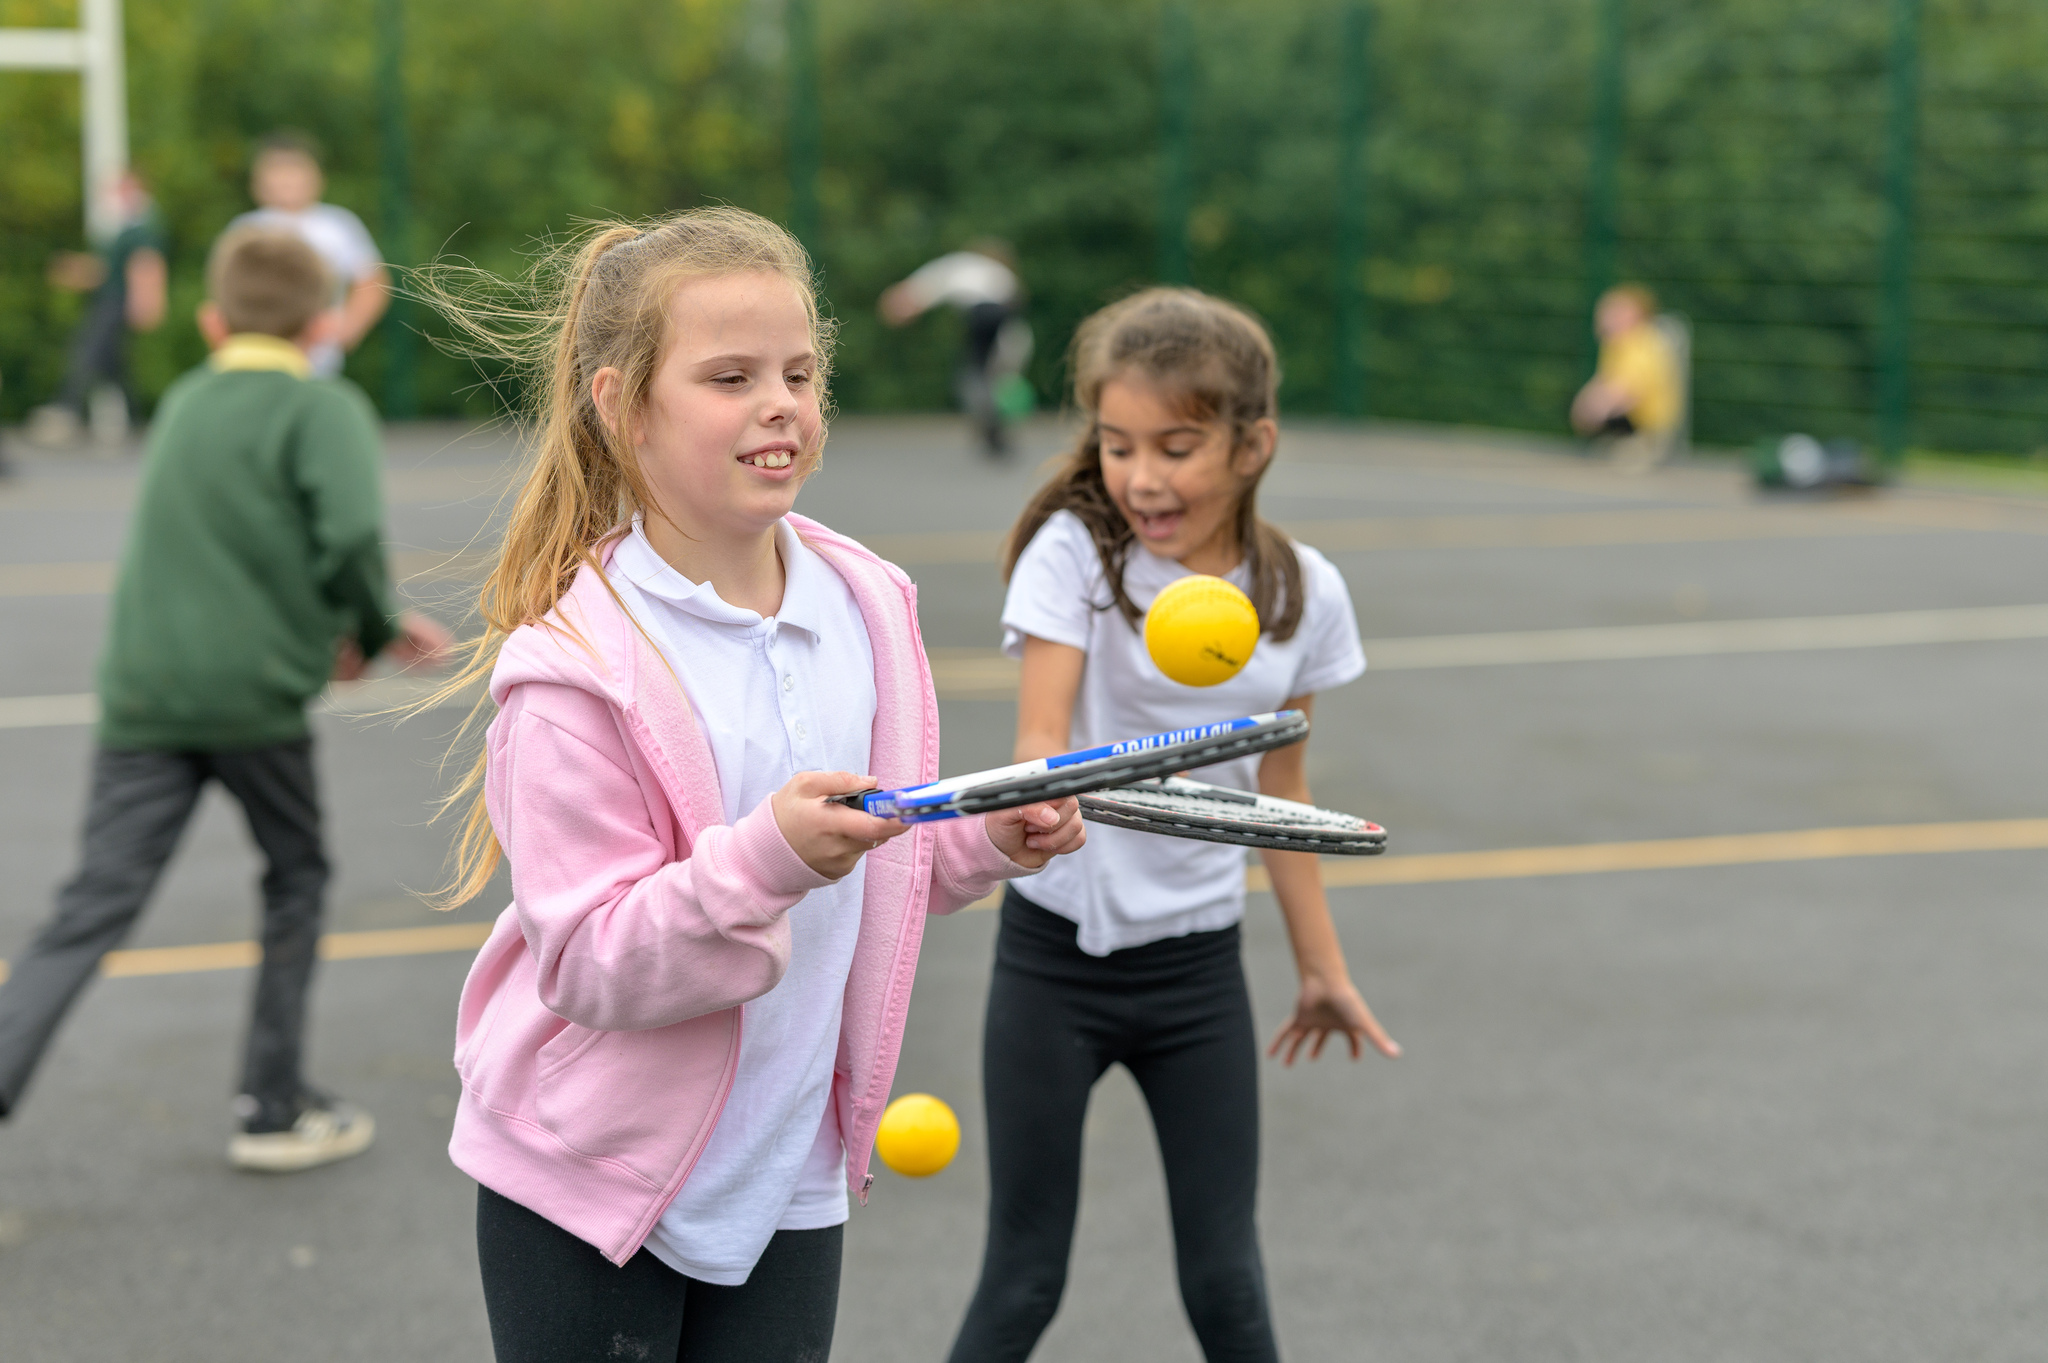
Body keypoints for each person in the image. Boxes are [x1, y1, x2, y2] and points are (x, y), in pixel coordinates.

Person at [425, 207, 1086, 1362]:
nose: (778, 402)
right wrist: (766, 857)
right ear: (622, 406)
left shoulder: (867, 604)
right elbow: (585, 959)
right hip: (592, 1177)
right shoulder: (577, 671)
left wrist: (987, 840)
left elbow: (878, 851)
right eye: (729, 377)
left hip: (786, 1170)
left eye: (797, 371)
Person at [948, 288, 1400, 1363]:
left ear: (1253, 446)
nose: (1141, 476)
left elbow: (1278, 796)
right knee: (1022, 1278)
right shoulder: (1076, 556)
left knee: (1225, 1282)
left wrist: (1319, 968)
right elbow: (1043, 741)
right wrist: (1039, 797)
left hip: (1196, 975)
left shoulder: (1299, 592)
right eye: (1116, 444)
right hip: (1052, 963)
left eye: (1176, 445)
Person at [0, 226, 452, 1169]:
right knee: (296, 876)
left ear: (210, 320)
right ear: (326, 321)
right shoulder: (322, 408)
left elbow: (222, 544)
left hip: (144, 697)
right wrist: (369, 632)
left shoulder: (186, 403)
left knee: (90, 908)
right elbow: (348, 540)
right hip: (250, 702)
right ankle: (271, 1104)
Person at [229, 132, 390, 380]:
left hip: (318, 361)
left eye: (294, 169)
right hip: (257, 355)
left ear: (317, 178)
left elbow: (373, 281)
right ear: (257, 182)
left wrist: (348, 329)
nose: (286, 179)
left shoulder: (337, 225)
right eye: (276, 170)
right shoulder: (246, 229)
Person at [25, 170, 168, 448]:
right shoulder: (126, 226)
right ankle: (139, 422)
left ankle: (67, 409)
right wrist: (76, 271)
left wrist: (148, 301)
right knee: (115, 368)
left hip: (118, 302)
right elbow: (107, 269)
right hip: (110, 298)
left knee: (86, 351)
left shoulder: (143, 225)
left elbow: (147, 265)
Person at [879, 239, 1032, 455]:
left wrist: (908, 300)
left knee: (975, 374)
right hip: (1004, 319)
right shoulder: (999, 273)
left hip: (983, 314)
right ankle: (994, 422)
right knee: (993, 376)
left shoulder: (964, 264)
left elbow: (936, 280)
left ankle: (989, 420)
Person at [1571, 282, 1683, 469]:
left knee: (1598, 404)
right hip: (1639, 416)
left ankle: (1644, 445)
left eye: (1615, 314)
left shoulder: (1639, 346)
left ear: (1636, 317)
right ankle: (1625, 442)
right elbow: (1605, 380)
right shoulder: (1617, 344)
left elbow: (1632, 391)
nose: (1606, 319)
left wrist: (1593, 408)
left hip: (1650, 422)